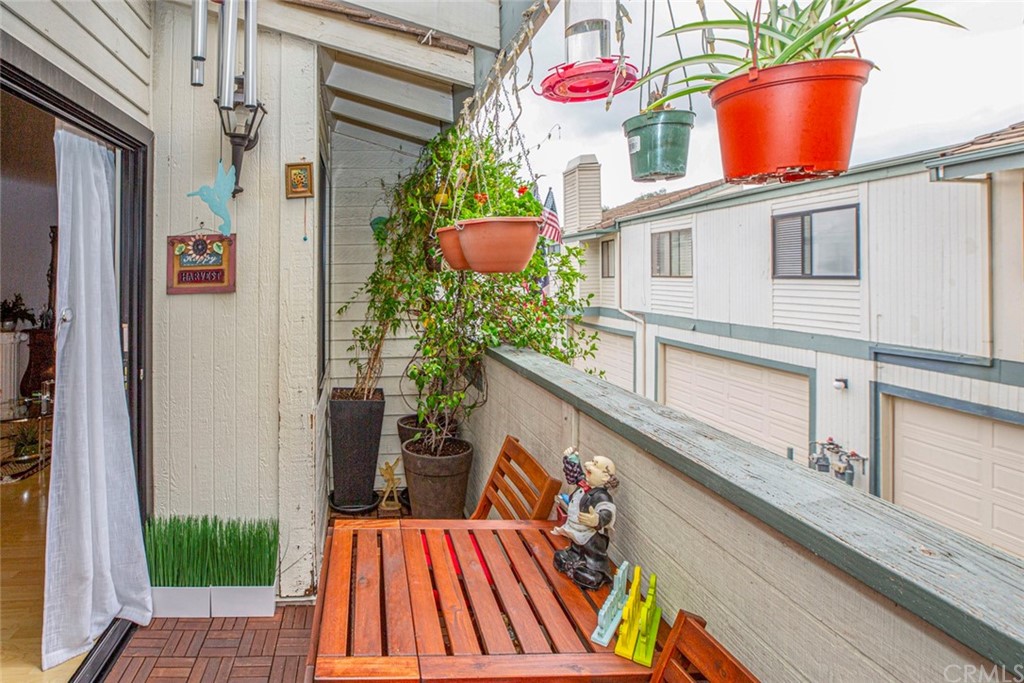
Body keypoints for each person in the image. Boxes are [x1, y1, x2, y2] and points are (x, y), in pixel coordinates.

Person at [552, 450, 619, 590]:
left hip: (590, 536)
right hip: (576, 531)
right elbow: (575, 474)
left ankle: (594, 569)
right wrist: (572, 459)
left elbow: (607, 511)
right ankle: (574, 557)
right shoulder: (584, 483)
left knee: (590, 552)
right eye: (591, 461)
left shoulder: (602, 497)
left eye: (594, 465)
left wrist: (597, 520)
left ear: (605, 477)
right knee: (567, 553)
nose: (588, 464)